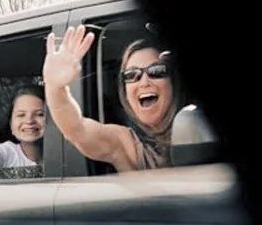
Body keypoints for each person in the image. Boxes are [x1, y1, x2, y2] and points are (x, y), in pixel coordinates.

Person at [41, 23, 183, 172]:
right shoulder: (125, 143)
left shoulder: (197, 121)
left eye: (156, 71)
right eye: (131, 75)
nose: (144, 82)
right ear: (125, 92)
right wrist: (55, 87)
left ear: (173, 82)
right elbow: (77, 129)